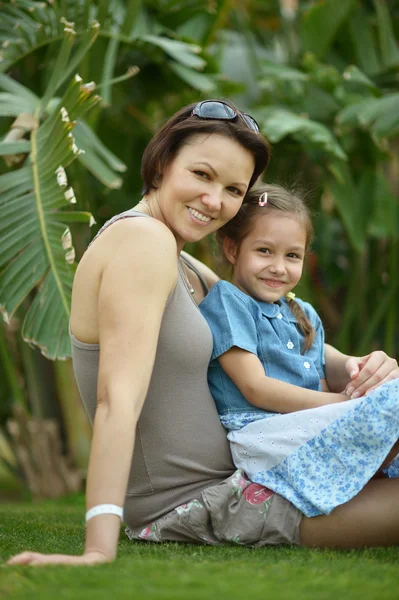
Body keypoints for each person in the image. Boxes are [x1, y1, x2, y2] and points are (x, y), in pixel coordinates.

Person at [7, 101, 399, 567]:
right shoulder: (142, 241)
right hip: (206, 502)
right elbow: (118, 399)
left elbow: (276, 330)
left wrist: (363, 366)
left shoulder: (184, 260)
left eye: (233, 189)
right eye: (202, 175)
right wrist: (97, 549)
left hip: (260, 475)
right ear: (161, 164)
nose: (216, 201)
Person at [199, 182, 399, 518]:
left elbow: (323, 369)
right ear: (232, 249)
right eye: (265, 251)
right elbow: (255, 387)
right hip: (263, 432)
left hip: (301, 426)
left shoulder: (300, 311)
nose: (279, 266)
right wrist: (346, 404)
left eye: (292, 255)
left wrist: (363, 377)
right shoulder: (229, 302)